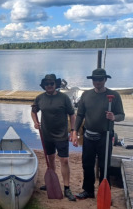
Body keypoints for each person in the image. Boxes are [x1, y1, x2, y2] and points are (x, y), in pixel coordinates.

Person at [74, 68, 125, 199]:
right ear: (92, 80)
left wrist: (114, 117)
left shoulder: (114, 96)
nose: (97, 82)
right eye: (95, 79)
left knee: (104, 165)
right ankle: (88, 191)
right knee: (87, 164)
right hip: (88, 136)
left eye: (100, 79)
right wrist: (74, 130)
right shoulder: (86, 95)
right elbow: (79, 115)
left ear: (105, 79)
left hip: (105, 136)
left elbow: (121, 115)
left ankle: (104, 192)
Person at [31, 74, 77, 201]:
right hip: (46, 135)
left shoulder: (64, 98)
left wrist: (73, 131)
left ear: (56, 85)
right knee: (50, 159)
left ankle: (67, 188)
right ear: (44, 86)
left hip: (61, 135)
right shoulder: (39, 98)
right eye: (47, 84)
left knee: (65, 161)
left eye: (51, 83)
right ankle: (52, 181)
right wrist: (35, 122)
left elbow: (72, 115)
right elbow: (33, 110)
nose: (49, 86)